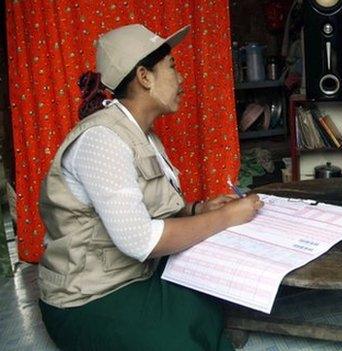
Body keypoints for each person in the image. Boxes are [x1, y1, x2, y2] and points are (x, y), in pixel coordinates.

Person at [37, 24, 262, 350]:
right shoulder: (102, 140)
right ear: (144, 76)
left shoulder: (144, 135)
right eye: (172, 67)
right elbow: (140, 239)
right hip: (89, 296)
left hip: (138, 276)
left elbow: (145, 212)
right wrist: (229, 217)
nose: (181, 77)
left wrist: (198, 210)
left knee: (207, 313)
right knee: (180, 342)